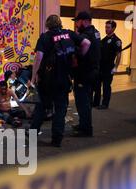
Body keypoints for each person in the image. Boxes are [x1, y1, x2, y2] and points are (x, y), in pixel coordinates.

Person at [30, 14, 91, 147]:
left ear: (48, 24)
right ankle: (57, 139)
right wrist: (79, 56)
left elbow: (38, 57)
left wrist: (34, 76)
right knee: (60, 110)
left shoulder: (45, 37)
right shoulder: (69, 34)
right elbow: (87, 43)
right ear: (59, 23)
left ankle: (32, 135)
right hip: (64, 79)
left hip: (47, 81)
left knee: (41, 108)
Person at [72, 11, 101, 138]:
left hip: (84, 72)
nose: (76, 24)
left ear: (84, 21)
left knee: (82, 101)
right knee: (86, 100)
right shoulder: (95, 32)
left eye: (77, 22)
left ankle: (86, 129)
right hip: (92, 71)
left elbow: (82, 51)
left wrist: (77, 55)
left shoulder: (86, 35)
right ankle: (84, 124)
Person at [93, 20, 122, 110]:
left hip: (108, 67)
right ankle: (96, 102)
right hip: (100, 67)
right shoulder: (104, 39)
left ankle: (105, 104)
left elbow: (118, 54)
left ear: (113, 28)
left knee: (106, 87)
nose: (106, 29)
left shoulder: (116, 40)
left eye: (108, 27)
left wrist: (115, 67)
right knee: (97, 86)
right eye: (106, 27)